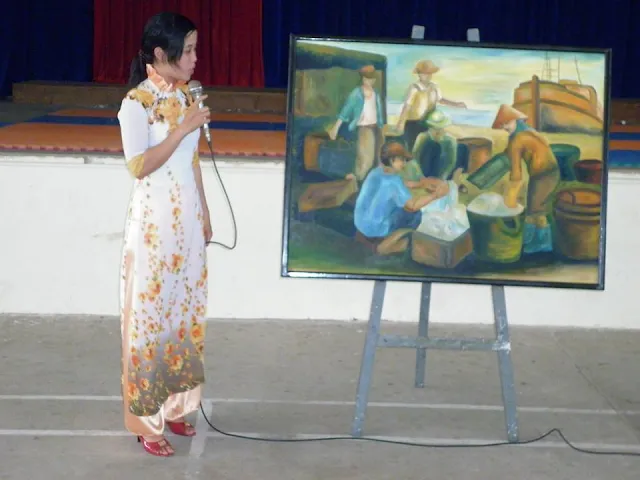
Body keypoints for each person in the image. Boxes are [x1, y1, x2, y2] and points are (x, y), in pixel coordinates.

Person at [117, 12, 212, 457]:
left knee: (183, 315)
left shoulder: (187, 96)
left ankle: (177, 406)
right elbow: (139, 165)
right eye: (187, 50)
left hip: (187, 224)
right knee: (148, 320)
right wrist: (182, 128)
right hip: (153, 228)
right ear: (160, 53)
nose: (194, 59)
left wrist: (204, 212)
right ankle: (145, 420)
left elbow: (192, 162)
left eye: (194, 49)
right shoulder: (136, 103)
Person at [491, 104, 561, 253]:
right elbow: (510, 153)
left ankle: (543, 244)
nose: (504, 127)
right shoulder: (527, 131)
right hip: (544, 173)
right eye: (502, 124)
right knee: (532, 209)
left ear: (516, 120)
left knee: (537, 211)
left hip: (545, 175)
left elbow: (516, 175)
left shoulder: (518, 139)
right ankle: (528, 239)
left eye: (507, 123)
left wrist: (510, 199)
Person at [354, 142, 447, 240]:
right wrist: (435, 195)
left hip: (360, 221)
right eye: (402, 160)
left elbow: (400, 184)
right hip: (375, 229)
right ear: (392, 160)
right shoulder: (395, 182)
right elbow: (412, 206)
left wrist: (420, 184)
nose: (404, 164)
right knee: (416, 215)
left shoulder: (376, 172)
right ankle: (396, 240)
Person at [394, 59, 467, 151]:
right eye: (424, 73)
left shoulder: (434, 87)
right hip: (413, 123)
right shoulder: (414, 88)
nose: (427, 76)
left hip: (429, 123)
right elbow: (407, 106)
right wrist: (400, 123)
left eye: (429, 73)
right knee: (412, 148)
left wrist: (456, 104)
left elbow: (440, 100)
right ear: (419, 74)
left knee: (427, 148)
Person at [328, 65, 384, 182]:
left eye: (372, 79)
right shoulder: (356, 93)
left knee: (379, 158)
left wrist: (381, 126)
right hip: (364, 128)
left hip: (376, 127)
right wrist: (335, 128)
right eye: (367, 79)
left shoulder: (376, 93)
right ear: (363, 79)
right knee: (366, 160)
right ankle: (358, 182)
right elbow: (346, 111)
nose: (370, 81)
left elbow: (378, 112)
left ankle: (373, 183)